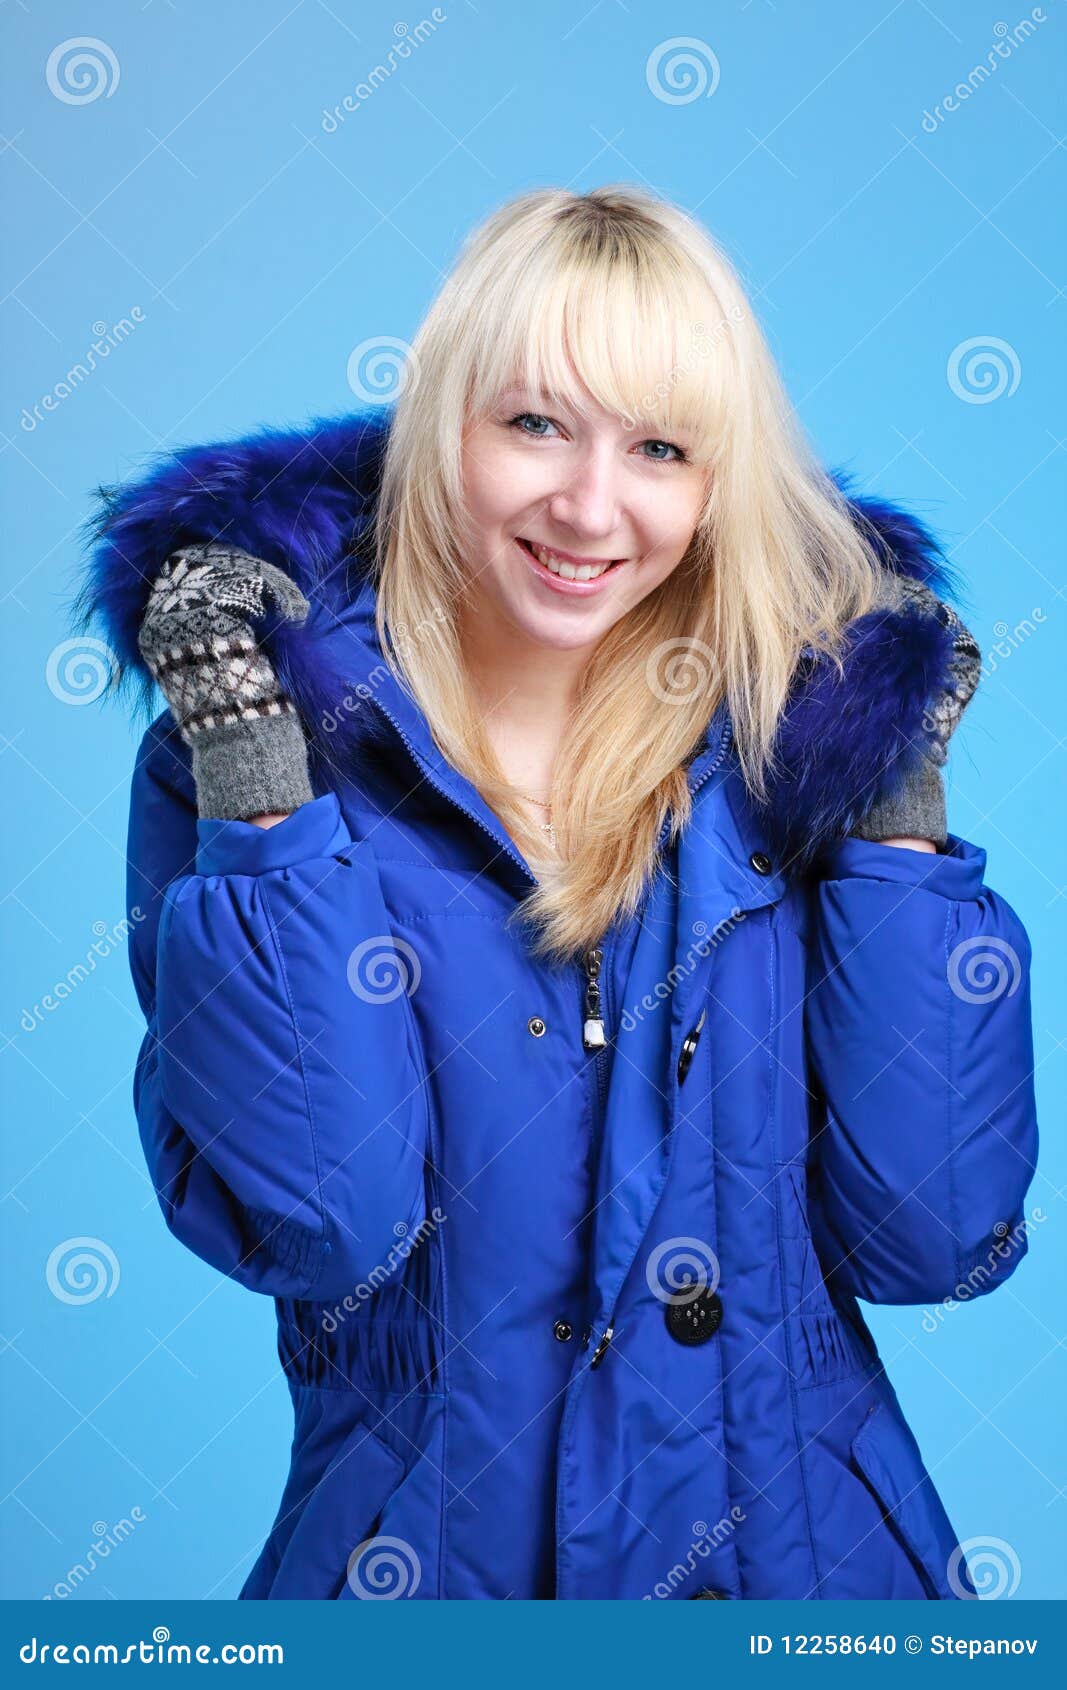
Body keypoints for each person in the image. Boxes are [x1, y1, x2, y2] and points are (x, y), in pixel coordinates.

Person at [74, 185, 1038, 1601]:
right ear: (445, 419)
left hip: (806, 1585)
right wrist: (262, 784)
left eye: (661, 447)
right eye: (535, 423)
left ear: (724, 479)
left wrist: (894, 813)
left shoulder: (798, 741)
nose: (591, 504)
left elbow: (939, 1234)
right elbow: (319, 1216)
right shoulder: (254, 752)